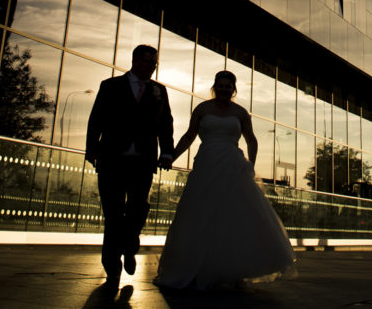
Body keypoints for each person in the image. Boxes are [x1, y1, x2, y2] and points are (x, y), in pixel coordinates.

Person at [156, 70, 295, 290]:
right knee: (201, 211)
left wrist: (251, 163)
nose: (223, 89)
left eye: (228, 86)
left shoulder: (240, 113)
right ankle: (198, 266)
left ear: (233, 89)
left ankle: (232, 267)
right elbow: (189, 135)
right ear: (214, 87)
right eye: (220, 86)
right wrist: (171, 155)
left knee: (232, 214)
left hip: (232, 165)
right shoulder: (202, 109)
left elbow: (251, 139)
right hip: (207, 163)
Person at [86, 45, 174, 286]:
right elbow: (97, 118)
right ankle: (112, 265)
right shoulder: (110, 86)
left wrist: (167, 152)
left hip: (143, 161)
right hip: (112, 159)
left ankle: (129, 245)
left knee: (138, 208)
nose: (151, 66)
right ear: (136, 60)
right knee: (113, 212)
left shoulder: (159, 91)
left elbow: (166, 123)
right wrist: (91, 149)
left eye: (154, 63)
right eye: (148, 61)